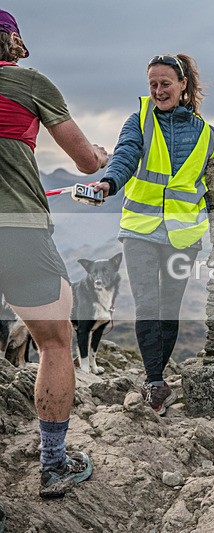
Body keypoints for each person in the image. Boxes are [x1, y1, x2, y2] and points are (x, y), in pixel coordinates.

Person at [0, 9, 109, 498]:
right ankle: (52, 464)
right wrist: (106, 157)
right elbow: (86, 161)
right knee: (56, 342)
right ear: (14, 43)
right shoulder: (29, 84)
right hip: (19, 230)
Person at [94, 53, 214, 415]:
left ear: (183, 85)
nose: (158, 91)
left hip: (184, 236)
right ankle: (154, 382)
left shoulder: (207, 135)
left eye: (165, 83)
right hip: (140, 230)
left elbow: (209, 188)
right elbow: (125, 156)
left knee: (170, 309)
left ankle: (158, 374)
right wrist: (108, 183)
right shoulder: (138, 120)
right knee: (148, 304)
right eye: (152, 84)